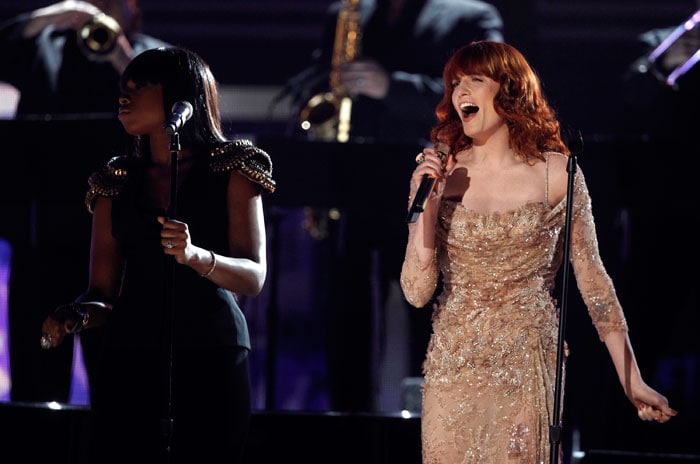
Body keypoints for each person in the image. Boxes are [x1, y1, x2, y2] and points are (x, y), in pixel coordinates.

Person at [399, 40, 677, 463]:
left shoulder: (557, 175)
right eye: (455, 83)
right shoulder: (438, 175)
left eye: (475, 79)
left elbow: (593, 281)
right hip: (454, 365)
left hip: (527, 360)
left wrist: (631, 378)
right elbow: (417, 291)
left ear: (508, 90)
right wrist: (429, 205)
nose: (460, 92)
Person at [39, 46, 275, 463]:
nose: (123, 97)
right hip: (131, 353)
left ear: (180, 94)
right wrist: (75, 315)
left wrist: (196, 256)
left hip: (212, 349)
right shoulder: (116, 182)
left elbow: (254, 277)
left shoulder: (232, 170)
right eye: (122, 88)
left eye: (139, 86)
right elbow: (102, 293)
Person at [0, 0, 169, 404]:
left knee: (120, 382)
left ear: (133, 11)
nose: (101, 10)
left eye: (112, 3)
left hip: (121, 245)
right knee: (36, 379)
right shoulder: (49, 48)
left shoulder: (150, 56)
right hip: (43, 234)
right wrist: (56, 14)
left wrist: (120, 58)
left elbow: (170, 114)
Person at [283, 0, 504, 144]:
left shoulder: (472, 17)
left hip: (433, 167)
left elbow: (487, 96)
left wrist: (389, 86)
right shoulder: (348, 12)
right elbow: (317, 81)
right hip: (353, 166)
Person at [0, 0, 169, 118]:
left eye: (108, 2)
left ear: (131, 6)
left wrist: (122, 59)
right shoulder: (45, 45)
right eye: (91, 2)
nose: (99, 9)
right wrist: (46, 17)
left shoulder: (155, 53)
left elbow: (172, 102)